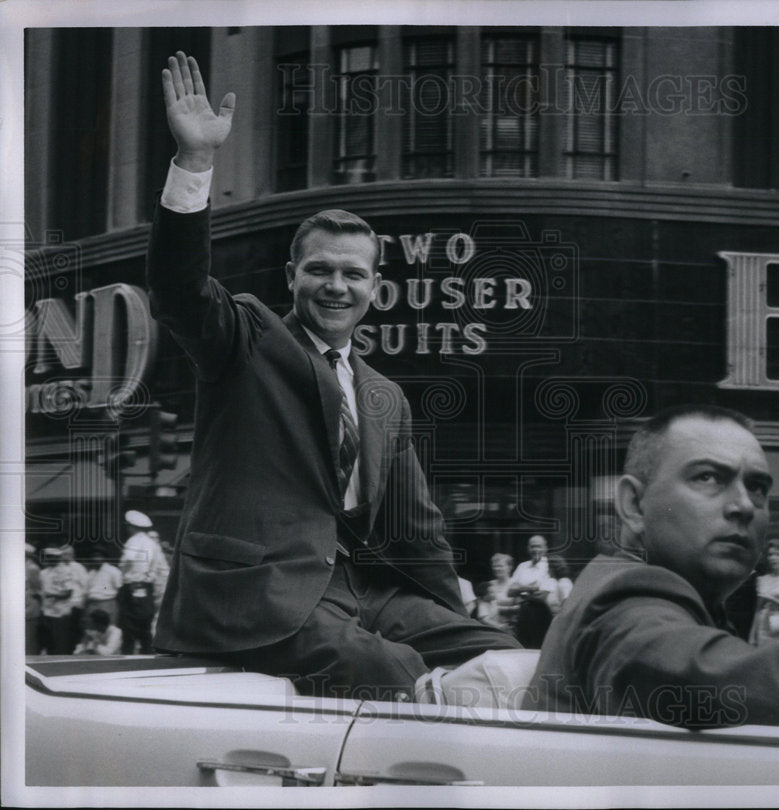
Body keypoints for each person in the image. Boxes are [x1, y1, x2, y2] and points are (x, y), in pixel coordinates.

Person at [147, 52, 517, 699]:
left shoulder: (384, 396)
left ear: (376, 286)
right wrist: (195, 162)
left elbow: (416, 528)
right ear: (292, 277)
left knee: (504, 656)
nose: (335, 285)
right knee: (388, 670)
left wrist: (459, 619)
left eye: (352, 273)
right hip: (253, 599)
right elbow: (179, 291)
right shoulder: (248, 337)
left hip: (355, 593)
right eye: (319, 269)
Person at [524, 405, 779, 728]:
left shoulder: (643, 588)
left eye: (757, 487)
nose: (744, 505)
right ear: (633, 504)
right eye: (708, 477)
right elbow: (687, 665)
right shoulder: (624, 600)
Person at [119, 510, 170, 654]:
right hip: (145, 588)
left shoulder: (135, 542)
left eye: (128, 526)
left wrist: (135, 586)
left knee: (129, 631)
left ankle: (128, 662)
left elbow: (137, 565)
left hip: (135, 588)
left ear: (132, 526)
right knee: (144, 630)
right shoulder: (151, 544)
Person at [508, 535, 558, 647]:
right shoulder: (522, 566)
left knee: (539, 647)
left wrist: (520, 589)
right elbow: (510, 591)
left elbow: (543, 595)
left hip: (541, 612)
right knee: (522, 646)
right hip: (523, 612)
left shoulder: (549, 566)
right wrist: (529, 588)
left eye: (539, 546)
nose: (535, 550)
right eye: (532, 546)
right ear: (528, 548)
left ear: (546, 548)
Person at [39, 547, 84, 654]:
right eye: (49, 557)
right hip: (47, 612)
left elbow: (68, 592)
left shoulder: (66, 571)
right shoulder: (44, 572)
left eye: (54, 557)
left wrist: (52, 595)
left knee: (61, 643)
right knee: (49, 643)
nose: (50, 560)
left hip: (61, 613)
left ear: (58, 558)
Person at [84, 556, 123, 628]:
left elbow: (120, 589)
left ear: (103, 557)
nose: (95, 558)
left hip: (107, 604)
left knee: (108, 629)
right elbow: (86, 591)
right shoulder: (91, 573)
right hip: (92, 605)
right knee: (92, 630)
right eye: (94, 556)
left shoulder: (113, 571)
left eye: (98, 556)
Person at [25, 543, 43, 655]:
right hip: (23, 603)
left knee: (30, 636)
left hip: (31, 604)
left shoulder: (32, 568)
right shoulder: (24, 566)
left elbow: (38, 588)